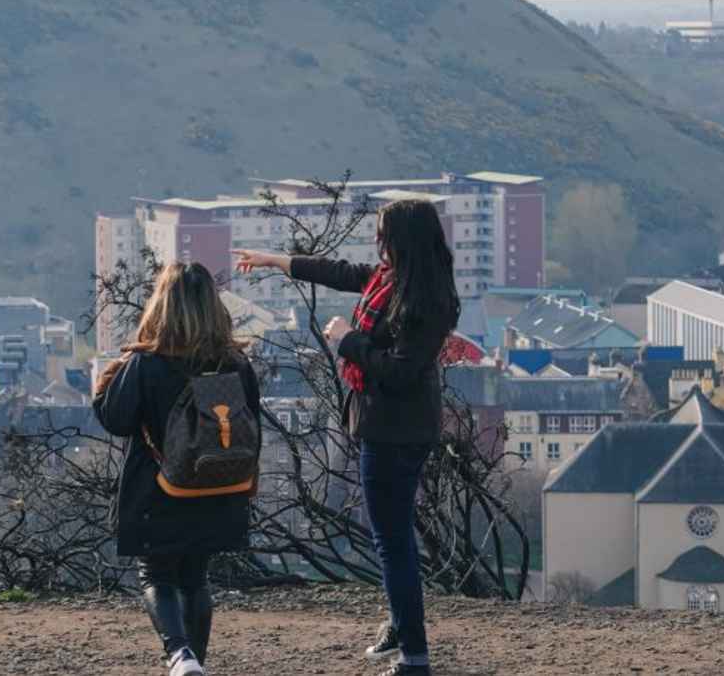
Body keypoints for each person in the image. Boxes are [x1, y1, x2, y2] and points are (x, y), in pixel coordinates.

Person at [235, 198, 458, 676]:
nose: (378, 245)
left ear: (401, 240)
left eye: (384, 235)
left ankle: (413, 655)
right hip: (388, 425)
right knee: (391, 536)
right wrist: (279, 261)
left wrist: (347, 341)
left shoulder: (425, 300)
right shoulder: (394, 279)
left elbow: (398, 373)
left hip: (396, 430)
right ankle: (402, 624)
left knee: (391, 540)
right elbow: (341, 271)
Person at [93, 263, 261, 676]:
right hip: (217, 487)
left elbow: (116, 420)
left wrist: (104, 382)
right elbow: (251, 421)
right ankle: (194, 662)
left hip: (160, 487)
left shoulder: (148, 364)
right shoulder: (234, 363)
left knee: (156, 574)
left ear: (161, 306)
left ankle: (179, 654)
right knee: (195, 577)